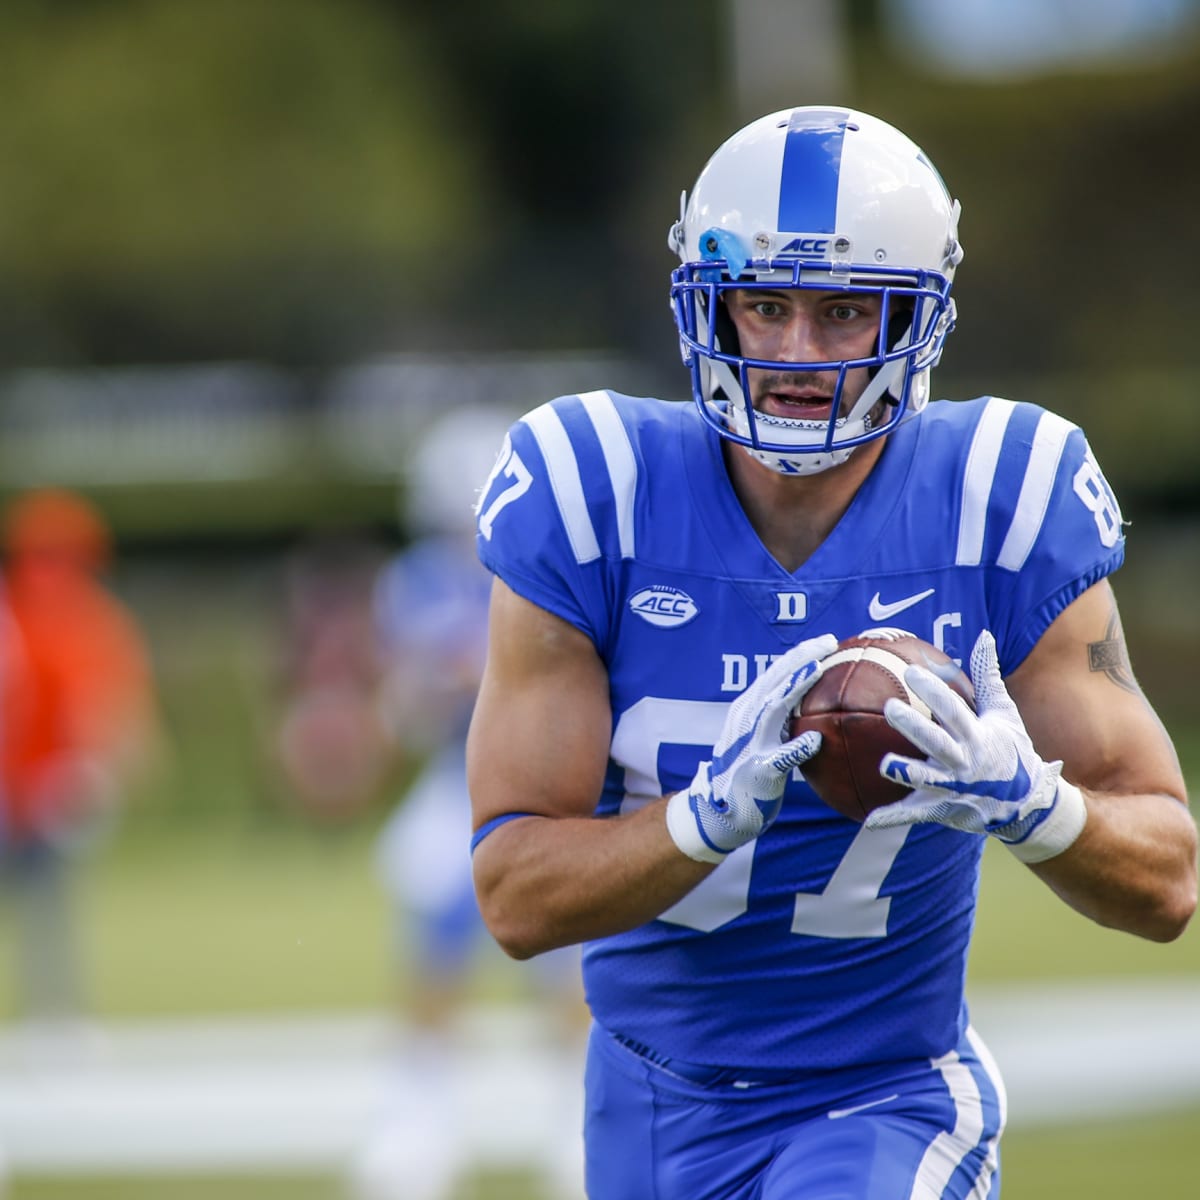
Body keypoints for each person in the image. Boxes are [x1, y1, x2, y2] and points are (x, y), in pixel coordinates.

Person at [464, 106, 1198, 1199]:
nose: (797, 354)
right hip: (647, 1104)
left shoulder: (999, 493)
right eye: (765, 306)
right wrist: (702, 820)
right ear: (711, 306)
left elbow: (1168, 876)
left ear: (918, 319)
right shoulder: (592, 490)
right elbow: (515, 897)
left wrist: (1031, 804)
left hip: (885, 1096)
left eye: (846, 311)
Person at [350, 407, 587, 1200]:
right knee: (437, 949)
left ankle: (576, 1119)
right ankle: (421, 1120)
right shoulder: (413, 581)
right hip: (458, 782)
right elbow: (408, 702)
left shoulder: (544, 568)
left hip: (543, 784)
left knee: (563, 961)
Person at [0, 488, 162, 1024]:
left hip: (51, 788)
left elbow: (120, 718)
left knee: (47, 897)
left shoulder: (94, 623)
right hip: (10, 783)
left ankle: (55, 1013)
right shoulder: (13, 618)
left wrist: (100, 772)